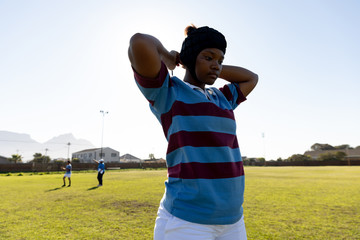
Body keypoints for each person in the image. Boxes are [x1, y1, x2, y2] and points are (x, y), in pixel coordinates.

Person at [128, 25, 258, 240]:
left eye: (220, 60)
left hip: (233, 220)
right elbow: (139, 41)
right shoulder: (169, 93)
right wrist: (171, 58)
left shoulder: (222, 98)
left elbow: (251, 78)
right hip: (186, 222)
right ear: (190, 58)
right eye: (208, 57)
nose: (216, 65)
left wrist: (212, 66)